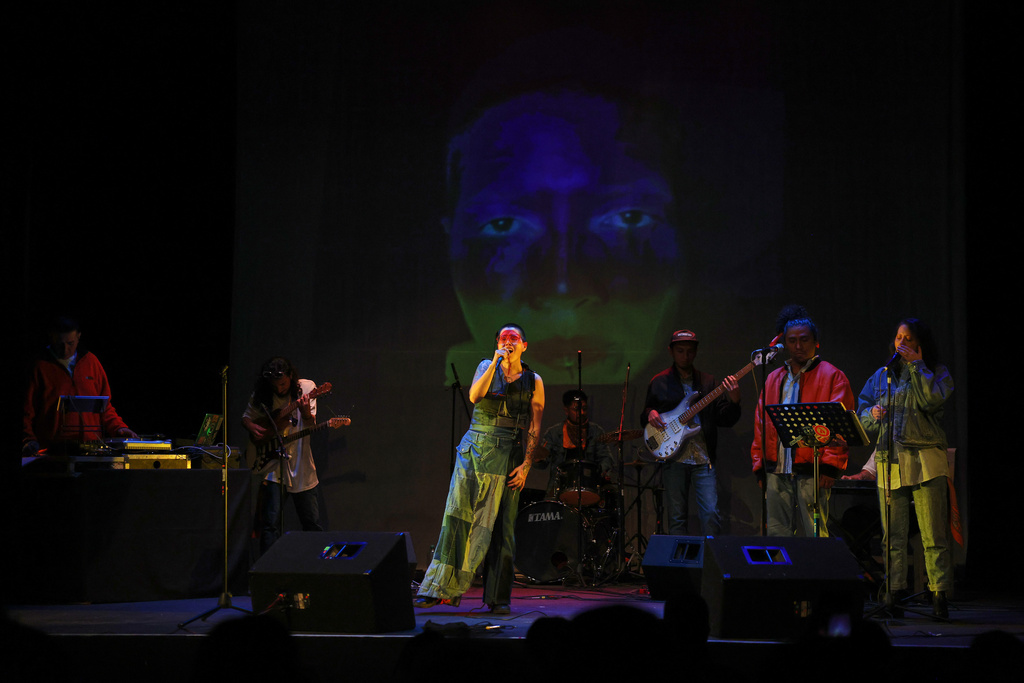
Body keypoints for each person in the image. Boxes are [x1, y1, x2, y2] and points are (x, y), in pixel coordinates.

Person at [416, 324, 544, 614]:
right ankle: (439, 589)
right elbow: (475, 396)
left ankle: (498, 598)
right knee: (457, 518)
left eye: (513, 338)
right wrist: (497, 362)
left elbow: (535, 426)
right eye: (502, 337)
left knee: (503, 528)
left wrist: (526, 465)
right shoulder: (487, 365)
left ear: (524, 345)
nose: (508, 341)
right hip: (474, 450)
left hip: (508, 454)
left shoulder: (534, 380)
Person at [856, 318, 954, 618]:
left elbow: (930, 401)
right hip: (891, 459)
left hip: (926, 459)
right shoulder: (883, 376)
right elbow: (864, 417)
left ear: (920, 344)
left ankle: (939, 595)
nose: (901, 342)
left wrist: (916, 366)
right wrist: (873, 413)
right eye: (898, 336)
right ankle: (893, 593)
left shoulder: (936, 373)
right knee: (892, 536)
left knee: (932, 534)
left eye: (908, 338)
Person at [750, 305, 854, 537]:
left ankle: (819, 574)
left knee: (814, 535)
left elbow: (840, 427)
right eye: (792, 340)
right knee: (778, 535)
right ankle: (782, 574)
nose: (798, 346)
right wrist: (760, 466)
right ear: (785, 343)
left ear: (816, 342)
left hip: (813, 470)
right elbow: (761, 425)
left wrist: (830, 466)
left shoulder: (832, 376)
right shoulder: (773, 379)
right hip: (777, 470)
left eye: (804, 340)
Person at [641, 329, 740, 536]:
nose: (685, 356)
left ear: (695, 352)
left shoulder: (708, 382)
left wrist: (735, 399)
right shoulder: (659, 382)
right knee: (676, 519)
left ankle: (711, 565)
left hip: (702, 458)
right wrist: (650, 413)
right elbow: (646, 415)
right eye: (680, 351)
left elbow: (725, 419)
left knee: (711, 515)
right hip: (673, 458)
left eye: (689, 351)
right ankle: (679, 567)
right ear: (671, 351)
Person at [242, 357, 324, 554]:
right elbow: (246, 417)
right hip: (272, 466)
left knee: (311, 522)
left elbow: (311, 424)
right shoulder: (263, 394)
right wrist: (252, 427)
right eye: (275, 386)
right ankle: (268, 572)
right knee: (270, 524)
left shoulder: (306, 388)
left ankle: (316, 569)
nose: (279, 389)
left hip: (301, 467)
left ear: (290, 377)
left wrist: (304, 412)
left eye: (283, 384)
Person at [22, 316, 137, 455]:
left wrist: (119, 428)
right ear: (51, 337)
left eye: (70, 343)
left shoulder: (91, 362)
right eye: (60, 344)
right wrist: (28, 440)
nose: (65, 350)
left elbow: (104, 407)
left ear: (78, 337)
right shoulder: (39, 366)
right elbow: (27, 410)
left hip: (91, 451)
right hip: (53, 452)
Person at [535, 389, 615, 503]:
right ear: (566, 410)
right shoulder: (554, 433)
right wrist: (538, 458)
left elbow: (606, 458)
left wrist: (598, 473)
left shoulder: (596, 431)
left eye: (584, 409)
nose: (582, 413)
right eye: (576, 409)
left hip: (589, 488)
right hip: (559, 490)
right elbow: (542, 464)